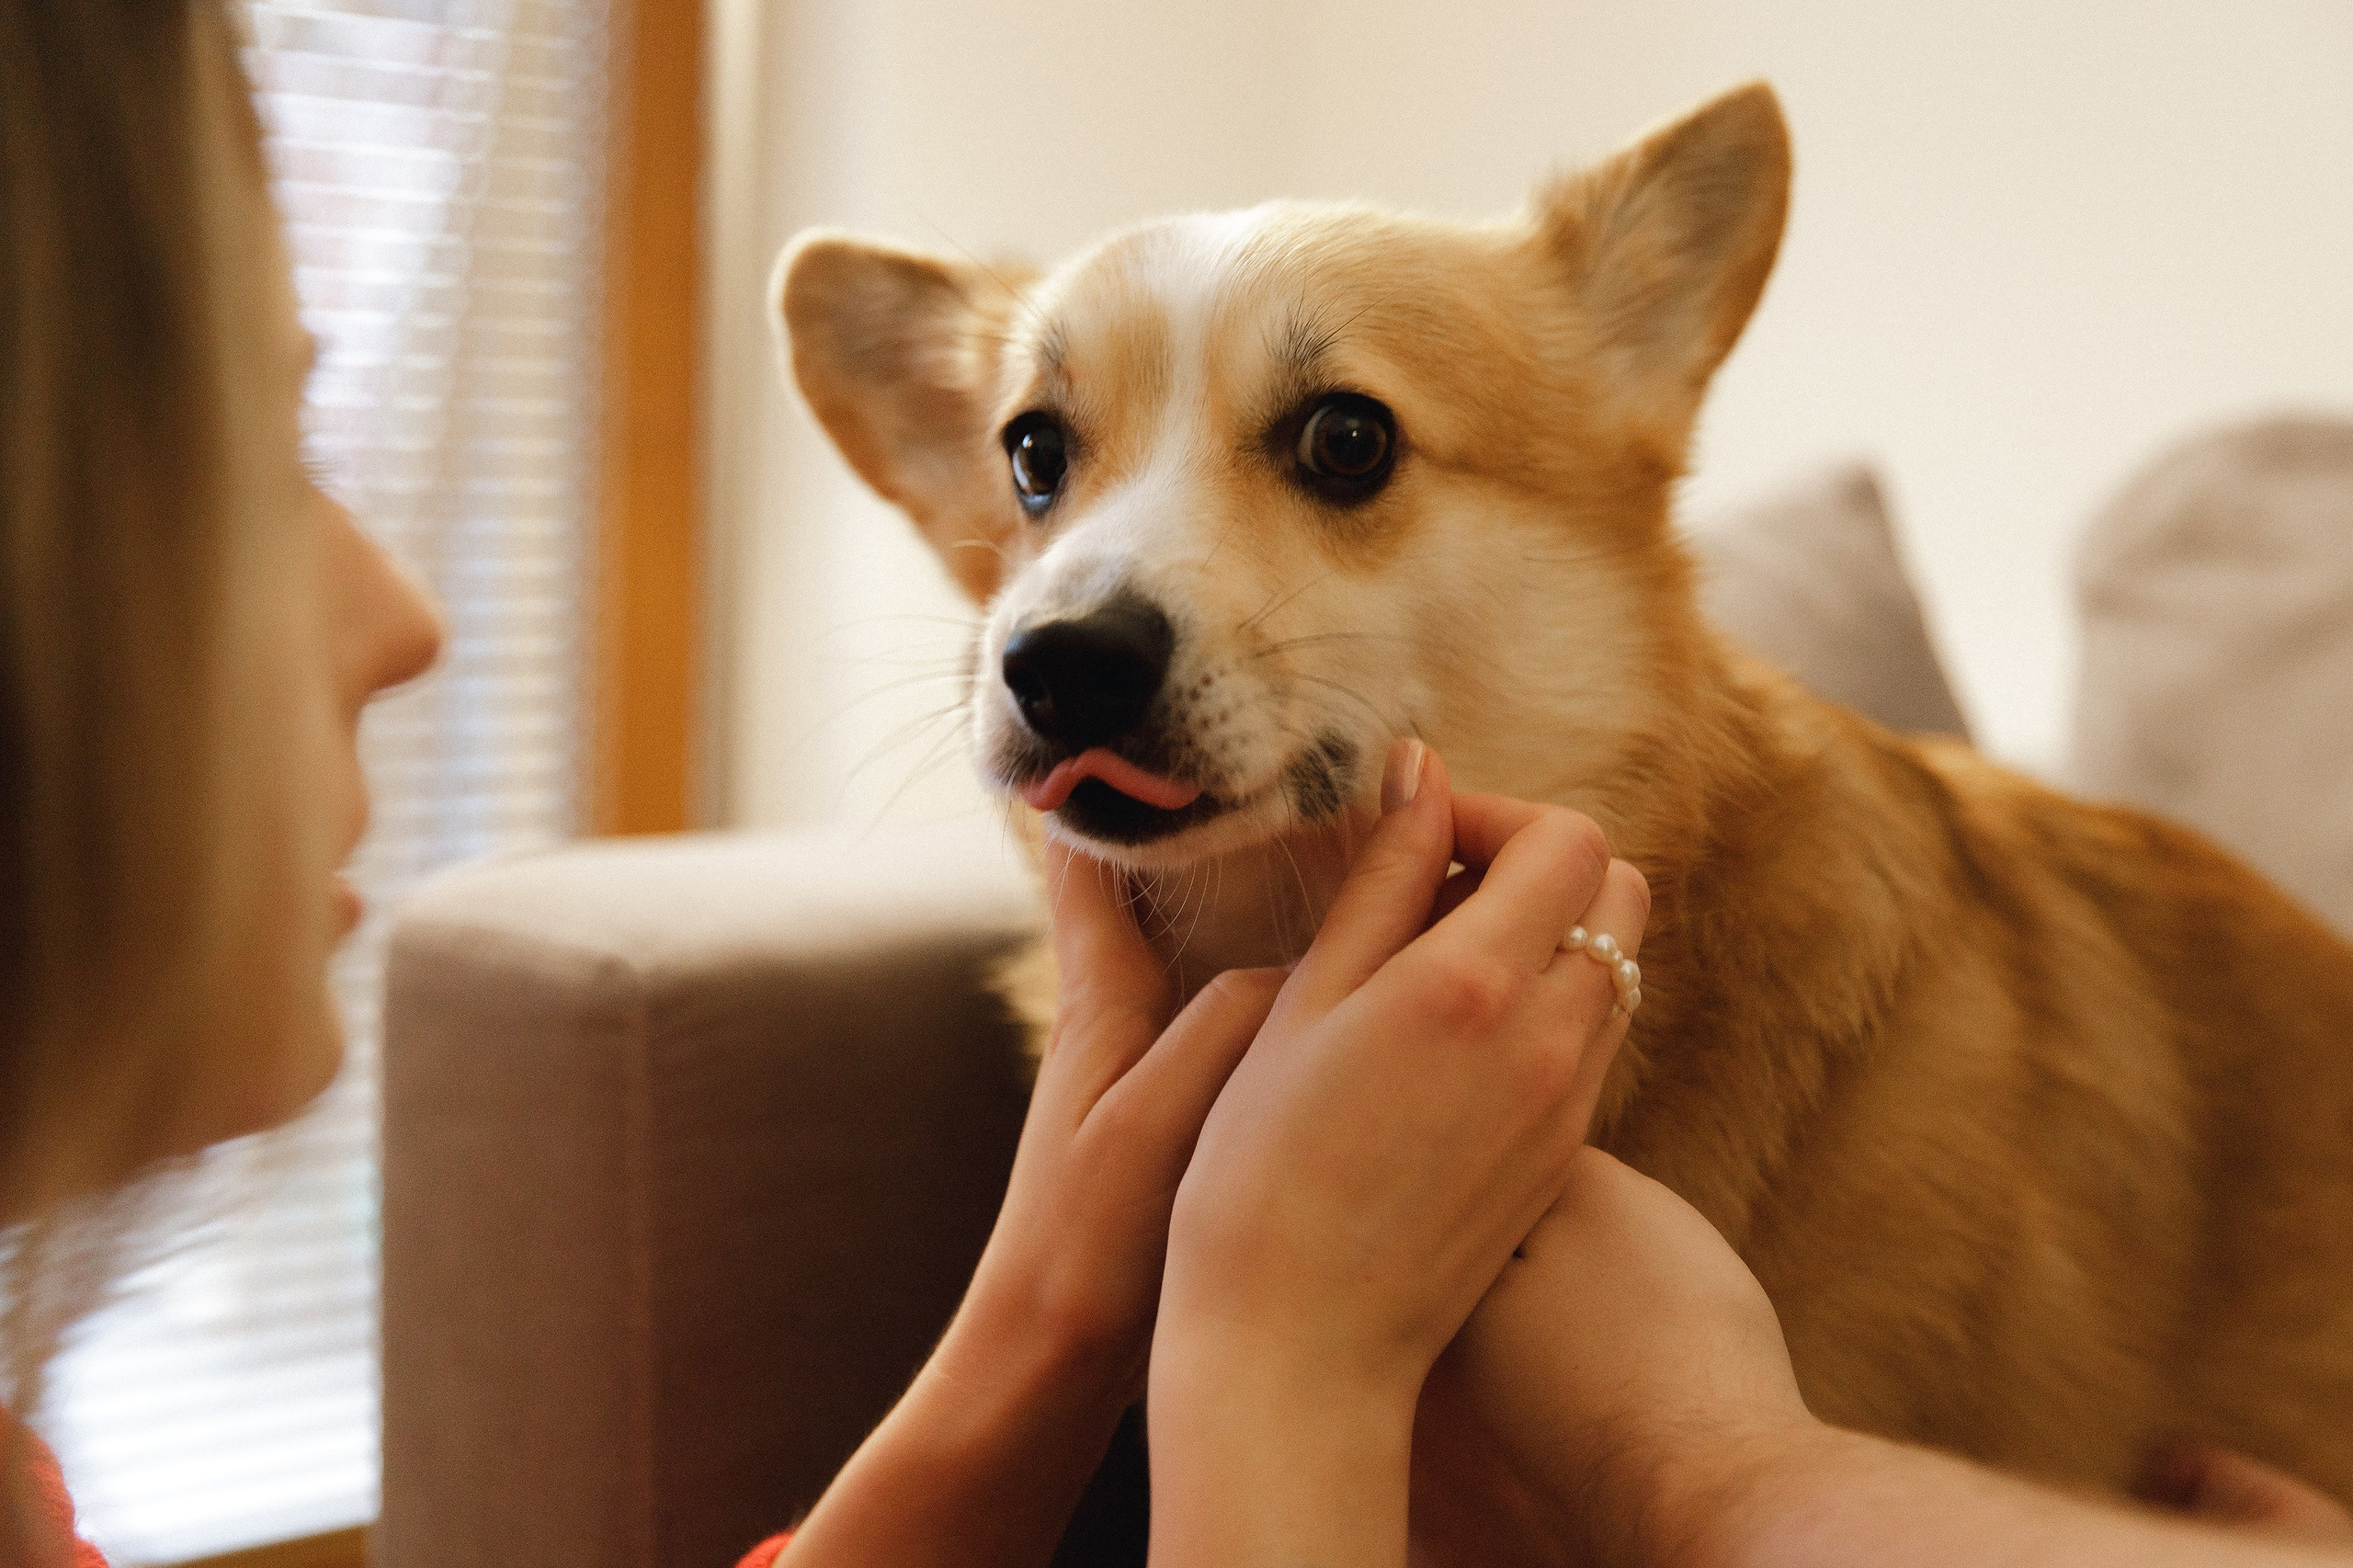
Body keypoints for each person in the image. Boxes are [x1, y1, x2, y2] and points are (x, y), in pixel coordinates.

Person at [2, 4, 2347, 1566]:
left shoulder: (1909, 1086)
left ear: (1634, 407)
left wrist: (1053, 1307)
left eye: (1336, 449)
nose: (1071, 590)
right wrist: (1273, 1344)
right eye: (1042, 456)